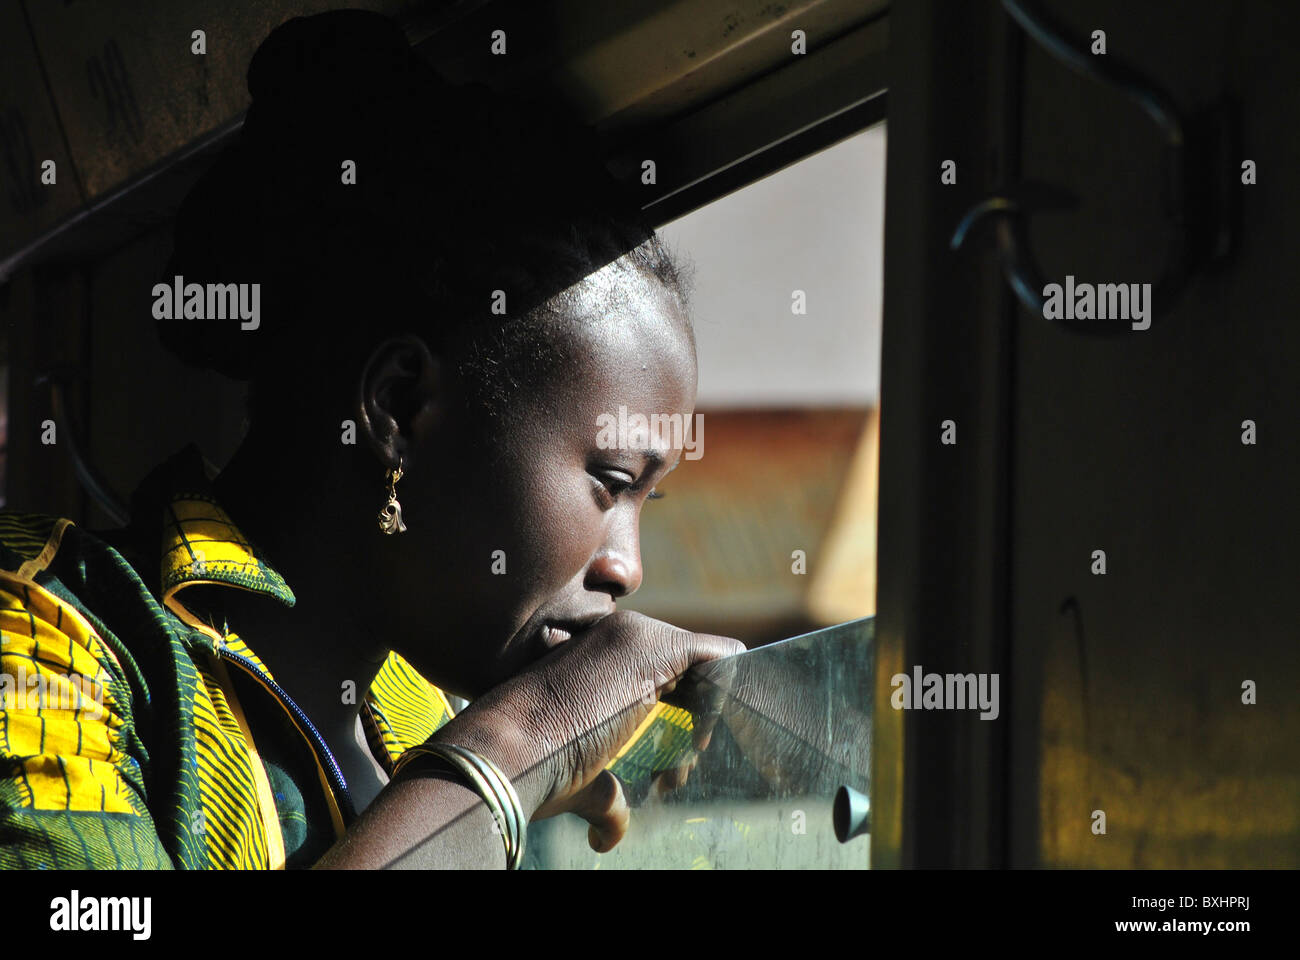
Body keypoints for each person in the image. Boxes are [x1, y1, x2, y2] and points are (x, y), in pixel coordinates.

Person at [0, 9, 741, 870]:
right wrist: (521, 741)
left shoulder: (415, 707)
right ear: (396, 408)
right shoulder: (49, 633)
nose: (629, 568)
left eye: (649, 502)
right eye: (609, 482)